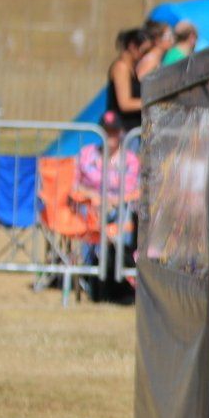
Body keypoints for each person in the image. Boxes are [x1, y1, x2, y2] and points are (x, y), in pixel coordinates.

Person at [74, 110, 141, 297]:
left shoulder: (130, 160)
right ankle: (92, 270)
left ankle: (118, 271)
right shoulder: (86, 154)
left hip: (120, 210)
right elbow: (74, 185)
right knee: (90, 214)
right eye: (106, 131)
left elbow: (134, 190)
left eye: (114, 131)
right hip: (90, 208)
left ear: (121, 132)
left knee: (122, 217)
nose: (110, 135)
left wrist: (112, 202)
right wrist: (93, 197)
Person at [105, 29, 147, 133]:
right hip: (123, 131)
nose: (144, 56)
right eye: (144, 51)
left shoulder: (132, 68)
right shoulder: (121, 67)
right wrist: (151, 102)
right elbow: (125, 103)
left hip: (132, 128)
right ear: (132, 47)